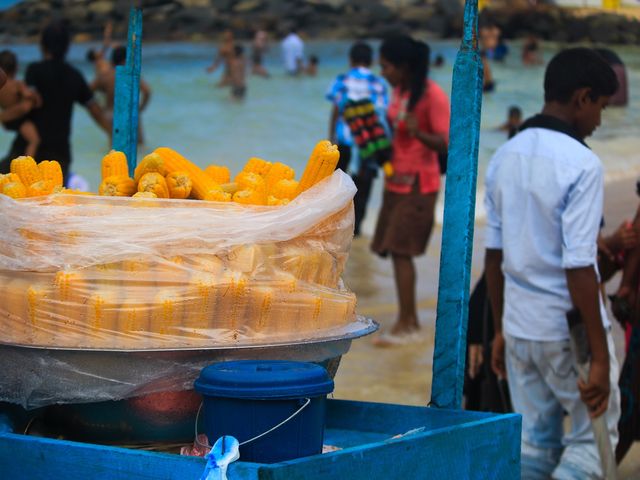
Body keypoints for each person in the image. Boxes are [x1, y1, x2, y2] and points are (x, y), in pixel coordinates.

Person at [484, 48, 620, 478]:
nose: (599, 120)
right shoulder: (582, 163)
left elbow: (494, 255)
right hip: (568, 331)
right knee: (591, 446)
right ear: (582, 98)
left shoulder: (505, 155)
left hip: (521, 329)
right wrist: (599, 356)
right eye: (600, 106)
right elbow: (579, 265)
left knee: (534, 446)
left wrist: (501, 329)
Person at [371, 35, 450, 340]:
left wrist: (420, 135)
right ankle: (408, 319)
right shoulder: (400, 91)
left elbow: (445, 142)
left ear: (403, 67)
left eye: (387, 66)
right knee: (392, 250)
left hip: (420, 183)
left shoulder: (433, 95)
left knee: (401, 251)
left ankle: (408, 322)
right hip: (395, 180)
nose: (383, 73)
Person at [0, 20, 110, 182]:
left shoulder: (34, 70)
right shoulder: (75, 76)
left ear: (42, 45)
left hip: (23, 155)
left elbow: (24, 103)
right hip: (58, 160)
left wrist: (5, 117)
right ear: (67, 47)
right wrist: (111, 133)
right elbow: (94, 110)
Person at [326, 41, 389, 237]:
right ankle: (357, 229)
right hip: (368, 142)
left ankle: (336, 229)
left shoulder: (342, 80)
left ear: (351, 60)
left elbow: (336, 109)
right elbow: (381, 115)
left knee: (338, 189)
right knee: (363, 187)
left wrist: (331, 138)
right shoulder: (379, 83)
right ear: (371, 61)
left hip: (344, 141)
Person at [91, 45, 151, 143]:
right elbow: (147, 91)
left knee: (115, 151)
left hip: (110, 115)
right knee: (138, 147)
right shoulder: (130, 75)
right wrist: (140, 108)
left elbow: (88, 92)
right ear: (125, 60)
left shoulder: (105, 76)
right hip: (129, 114)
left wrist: (99, 108)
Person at [0, 50, 40, 157]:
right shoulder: (17, 84)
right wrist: (33, 96)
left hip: (7, 119)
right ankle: (27, 162)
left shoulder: (2, 86)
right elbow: (28, 95)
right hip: (18, 119)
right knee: (34, 140)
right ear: (15, 68)